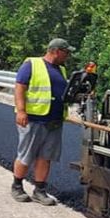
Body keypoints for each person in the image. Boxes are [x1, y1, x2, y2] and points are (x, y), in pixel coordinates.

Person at [10, 38, 73, 205]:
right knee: (26, 155)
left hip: (54, 121)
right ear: (56, 51)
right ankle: (17, 186)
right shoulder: (32, 64)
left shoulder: (61, 70)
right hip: (33, 119)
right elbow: (20, 87)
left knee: (45, 157)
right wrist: (21, 111)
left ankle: (40, 190)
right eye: (66, 53)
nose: (68, 56)